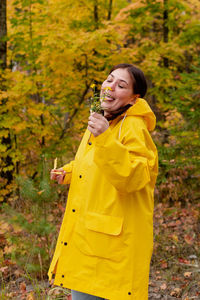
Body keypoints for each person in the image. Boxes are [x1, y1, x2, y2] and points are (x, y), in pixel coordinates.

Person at [48, 63, 158, 300]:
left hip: (114, 245)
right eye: (109, 80)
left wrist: (104, 136)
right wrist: (66, 173)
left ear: (133, 98)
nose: (110, 87)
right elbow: (93, 162)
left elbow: (134, 177)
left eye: (121, 85)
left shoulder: (133, 127)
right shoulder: (102, 121)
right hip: (88, 239)